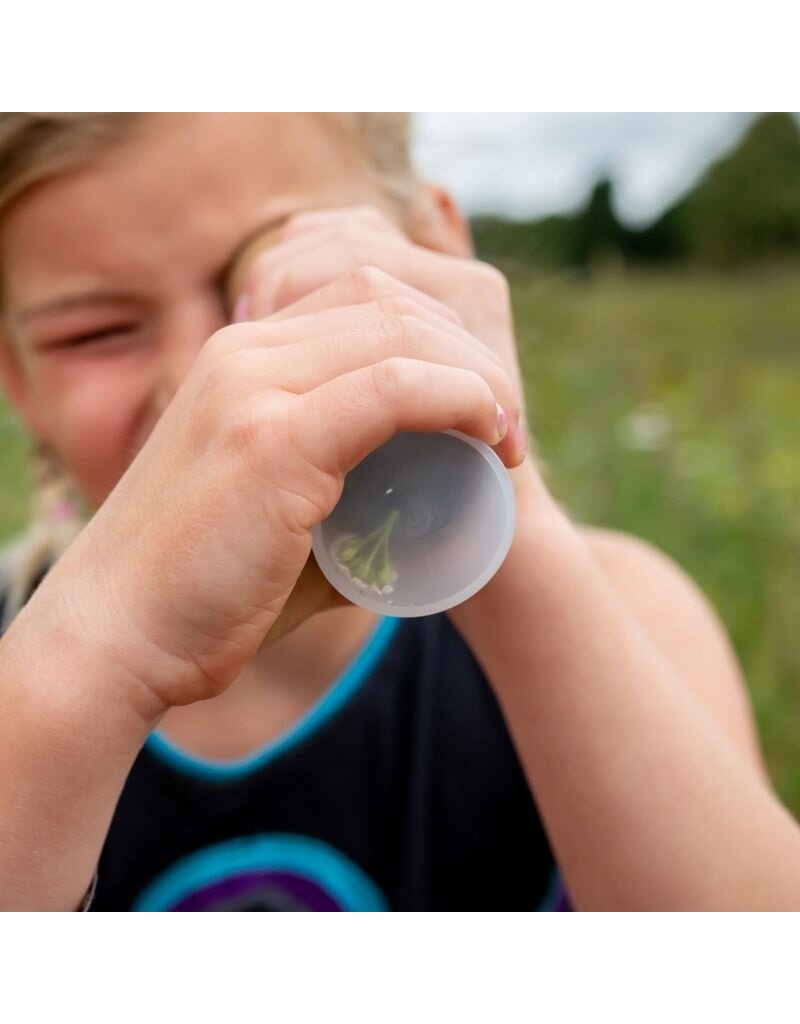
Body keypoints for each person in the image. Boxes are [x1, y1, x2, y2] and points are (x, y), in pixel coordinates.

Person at [0, 113, 798, 912]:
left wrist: (494, 508)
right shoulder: (21, 654)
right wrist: (90, 662)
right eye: (96, 333)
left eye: (264, 282)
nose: (204, 377)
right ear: (20, 381)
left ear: (436, 255)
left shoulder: (631, 615)